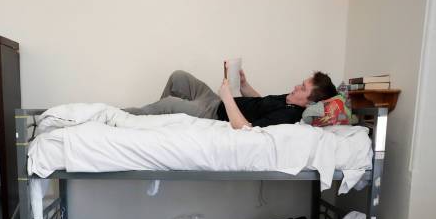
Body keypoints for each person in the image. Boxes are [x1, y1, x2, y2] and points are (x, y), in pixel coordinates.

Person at [125, 68, 338, 129]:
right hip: (215, 101)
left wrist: (228, 98)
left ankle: (122, 117)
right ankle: (156, 122)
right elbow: (261, 103)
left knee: (168, 104)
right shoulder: (290, 100)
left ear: (310, 103)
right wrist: (244, 85)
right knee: (179, 77)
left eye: (302, 88)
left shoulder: (288, 116)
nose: (295, 86)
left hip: (214, 113)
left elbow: (246, 128)